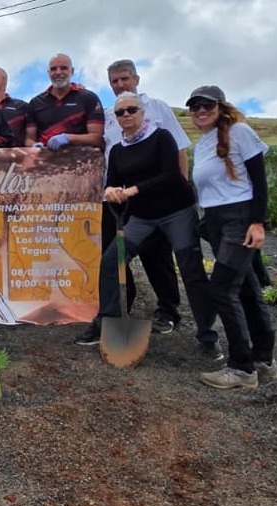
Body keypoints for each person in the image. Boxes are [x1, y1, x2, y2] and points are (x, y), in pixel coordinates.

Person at [73, 93, 216, 354]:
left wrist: (132, 190)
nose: (126, 115)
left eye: (131, 110)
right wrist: (112, 192)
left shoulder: (161, 138)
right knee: (110, 262)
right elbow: (113, 184)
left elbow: (172, 176)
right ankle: (108, 322)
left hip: (177, 212)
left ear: (142, 113)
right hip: (142, 217)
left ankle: (208, 336)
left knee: (191, 270)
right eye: (120, 113)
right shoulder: (117, 150)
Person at [186, 85, 277, 389]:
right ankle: (263, 361)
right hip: (215, 219)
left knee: (222, 290)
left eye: (206, 106)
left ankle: (242, 368)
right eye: (195, 106)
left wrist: (258, 221)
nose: (200, 111)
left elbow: (259, 180)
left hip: (239, 218)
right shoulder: (202, 143)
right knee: (247, 289)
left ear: (221, 107)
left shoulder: (239, 132)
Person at [102, 59, 191, 338]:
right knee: (114, 257)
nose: (120, 85)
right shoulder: (109, 114)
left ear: (136, 79)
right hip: (123, 199)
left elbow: (179, 151)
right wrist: (111, 190)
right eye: (114, 81)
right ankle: (116, 313)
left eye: (124, 79)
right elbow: (110, 155)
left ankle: (168, 310)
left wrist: (181, 188)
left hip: (163, 200)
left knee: (158, 257)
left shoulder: (158, 109)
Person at [25, 53, 104, 150]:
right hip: (45, 162)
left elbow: (98, 138)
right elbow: (29, 139)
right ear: (48, 73)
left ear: (72, 71)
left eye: (63, 68)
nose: (58, 72)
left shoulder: (89, 98)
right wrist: (34, 146)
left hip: (80, 161)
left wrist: (68, 138)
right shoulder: (35, 103)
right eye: (53, 69)